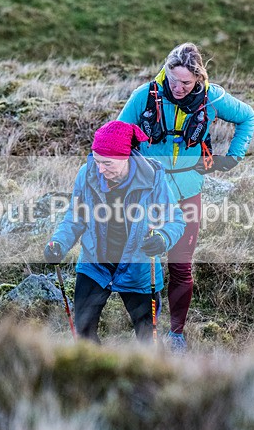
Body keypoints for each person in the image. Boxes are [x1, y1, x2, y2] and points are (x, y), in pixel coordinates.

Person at [117, 42, 254, 351]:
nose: (178, 87)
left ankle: (176, 334)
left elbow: (248, 117)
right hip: (149, 194)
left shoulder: (214, 97)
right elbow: (116, 134)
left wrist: (233, 156)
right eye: (173, 79)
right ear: (166, 71)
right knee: (145, 266)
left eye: (186, 82)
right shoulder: (145, 96)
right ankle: (146, 332)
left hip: (188, 193)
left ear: (198, 79)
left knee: (181, 265)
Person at [43, 120, 185, 343]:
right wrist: (58, 244)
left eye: (107, 163)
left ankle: (144, 376)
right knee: (83, 330)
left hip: (138, 267)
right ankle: (95, 373)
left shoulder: (152, 177)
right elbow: (75, 217)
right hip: (95, 264)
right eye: (97, 161)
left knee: (147, 337)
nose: (100, 169)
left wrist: (162, 238)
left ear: (125, 156)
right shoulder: (87, 174)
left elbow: (176, 219)